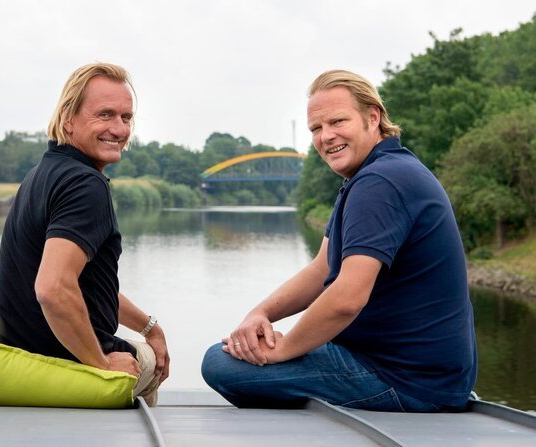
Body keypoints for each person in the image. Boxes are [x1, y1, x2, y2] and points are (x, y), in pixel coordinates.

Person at [201, 69, 477, 412]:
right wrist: (261, 314)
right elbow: (323, 269)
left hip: (404, 380)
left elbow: (347, 298)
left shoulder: (380, 183)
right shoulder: (377, 174)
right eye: (316, 129)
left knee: (219, 362)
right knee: (240, 352)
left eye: (337, 122)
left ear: (372, 117)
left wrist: (287, 350)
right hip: (423, 376)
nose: (326, 137)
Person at [0, 62, 168, 406]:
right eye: (105, 115)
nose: (119, 129)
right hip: (55, 363)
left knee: (143, 345)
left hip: (8, 361)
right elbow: (53, 288)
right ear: (68, 118)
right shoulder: (86, 184)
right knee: (149, 363)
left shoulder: (42, 173)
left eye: (126, 118)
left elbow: (86, 288)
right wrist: (100, 366)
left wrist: (150, 327)